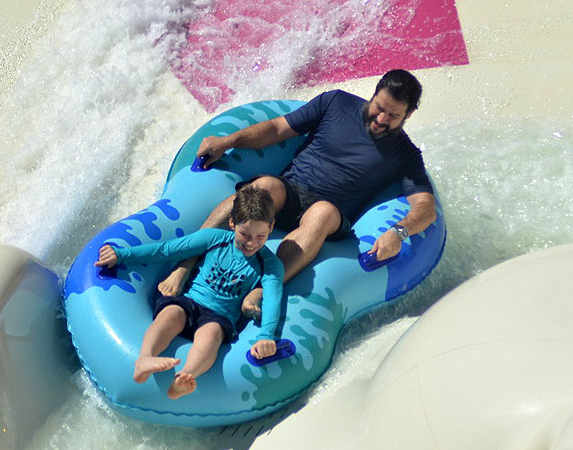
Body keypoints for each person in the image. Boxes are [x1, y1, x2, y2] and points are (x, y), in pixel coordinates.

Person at [158, 69, 437, 317]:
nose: (381, 118)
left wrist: (398, 233)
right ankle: (186, 262)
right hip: (290, 190)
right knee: (265, 186)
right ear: (374, 93)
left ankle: (262, 290)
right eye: (379, 107)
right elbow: (278, 128)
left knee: (323, 211)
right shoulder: (336, 102)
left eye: (393, 115)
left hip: (329, 213)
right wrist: (230, 141)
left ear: (409, 115)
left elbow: (425, 207)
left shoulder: (405, 154)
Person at [94, 185, 284, 399]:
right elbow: (167, 250)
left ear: (271, 227)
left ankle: (185, 377)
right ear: (232, 223)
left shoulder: (270, 264)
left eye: (260, 236)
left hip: (220, 317)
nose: (251, 243)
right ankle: (145, 359)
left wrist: (266, 335)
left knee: (211, 335)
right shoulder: (214, 239)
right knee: (171, 314)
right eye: (244, 234)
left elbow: (272, 298)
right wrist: (121, 255)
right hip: (190, 301)